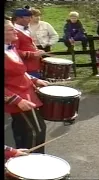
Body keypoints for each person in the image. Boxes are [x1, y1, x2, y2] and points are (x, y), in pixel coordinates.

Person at [5, 19, 48, 154]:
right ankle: (34, 165)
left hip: (27, 94)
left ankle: (21, 164)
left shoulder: (11, 48)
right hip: (18, 99)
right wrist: (17, 100)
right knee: (36, 131)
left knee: (23, 132)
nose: (15, 31)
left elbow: (21, 72)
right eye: (11, 29)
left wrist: (34, 80)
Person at [11, 8, 47, 78]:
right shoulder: (14, 32)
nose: (30, 20)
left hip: (35, 66)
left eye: (31, 17)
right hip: (26, 68)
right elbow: (13, 51)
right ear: (18, 18)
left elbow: (28, 45)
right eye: (27, 17)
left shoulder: (26, 30)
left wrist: (37, 50)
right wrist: (33, 54)